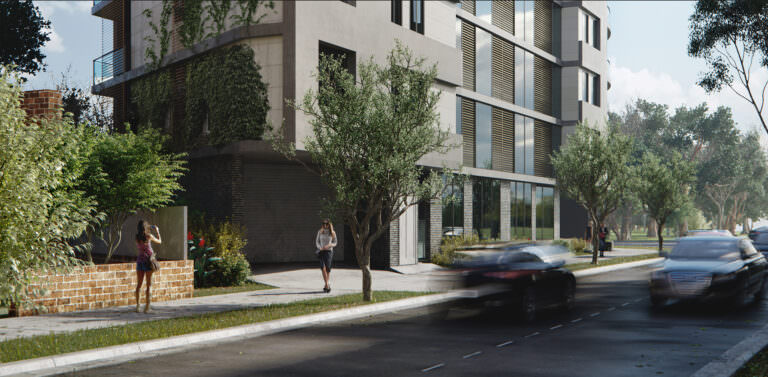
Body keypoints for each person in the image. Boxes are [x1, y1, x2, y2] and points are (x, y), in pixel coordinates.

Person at [135, 219, 161, 313]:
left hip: (139, 261)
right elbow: (159, 241)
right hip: (148, 261)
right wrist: (157, 231)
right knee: (149, 285)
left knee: (139, 285)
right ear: (145, 227)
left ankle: (138, 306)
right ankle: (147, 308)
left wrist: (148, 227)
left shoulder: (137, 237)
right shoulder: (149, 236)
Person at [315, 219, 337, 293]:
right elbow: (317, 242)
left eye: (326, 224)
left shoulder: (332, 232)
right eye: (323, 223)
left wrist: (330, 245)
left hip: (329, 252)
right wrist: (319, 247)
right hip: (321, 251)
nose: (325, 225)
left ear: (329, 224)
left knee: (328, 269)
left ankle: (326, 285)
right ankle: (327, 284)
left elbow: (335, 242)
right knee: (322, 267)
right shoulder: (320, 232)